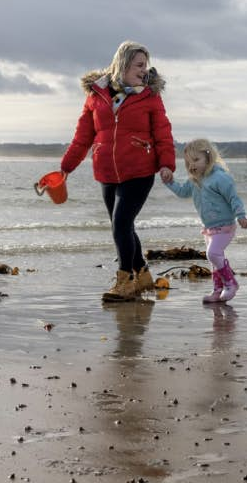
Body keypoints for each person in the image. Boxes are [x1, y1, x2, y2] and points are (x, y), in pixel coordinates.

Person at [60, 40, 176, 301]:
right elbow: (83, 136)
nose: (144, 70)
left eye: (146, 65)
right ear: (122, 64)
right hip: (107, 171)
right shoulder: (97, 95)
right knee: (121, 224)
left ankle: (125, 280)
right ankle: (143, 274)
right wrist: (66, 167)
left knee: (121, 223)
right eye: (138, 65)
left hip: (139, 170)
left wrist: (166, 164)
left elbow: (163, 132)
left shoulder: (149, 96)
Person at [163, 139, 247, 303]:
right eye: (189, 162)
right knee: (213, 259)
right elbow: (182, 192)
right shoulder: (194, 180)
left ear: (208, 158)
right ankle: (217, 291)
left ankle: (231, 283)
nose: (192, 166)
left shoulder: (220, 178)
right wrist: (170, 183)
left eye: (196, 160)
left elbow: (234, 198)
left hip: (225, 227)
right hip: (209, 229)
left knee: (212, 254)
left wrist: (241, 216)